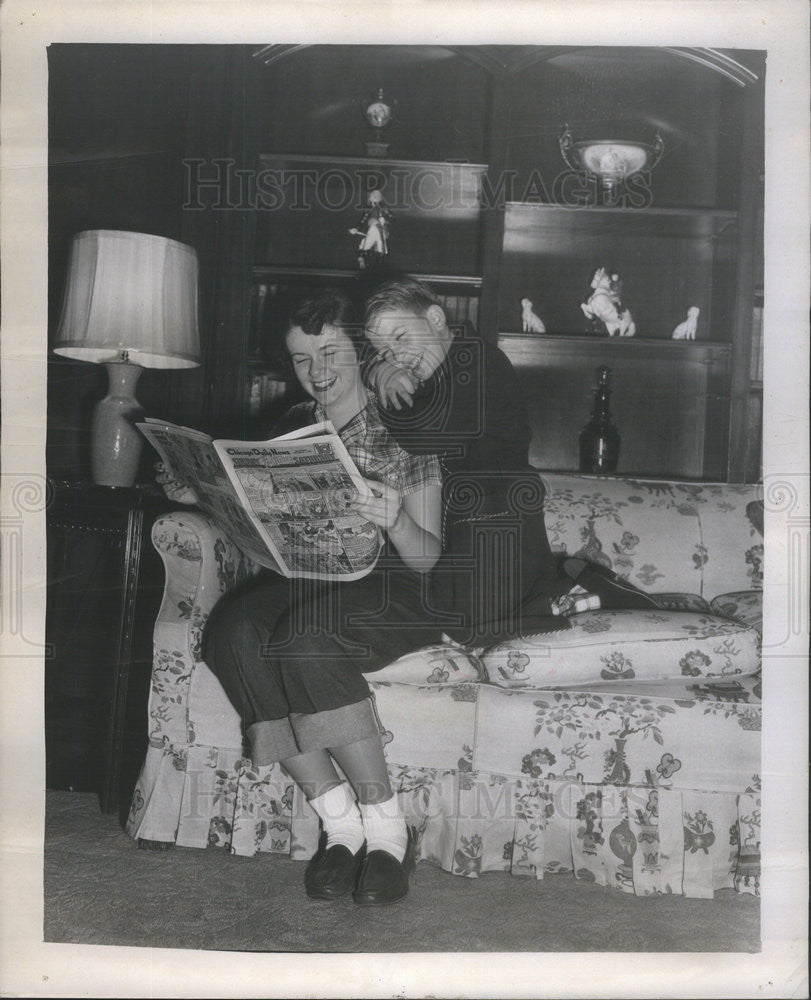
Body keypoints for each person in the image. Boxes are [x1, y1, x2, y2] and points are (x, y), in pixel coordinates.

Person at [158, 289, 444, 905]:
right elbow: (265, 529)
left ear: (360, 351)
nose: (318, 372)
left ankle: (389, 833)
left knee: (304, 641)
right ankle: (339, 823)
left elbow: (428, 555)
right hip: (305, 577)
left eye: (331, 351)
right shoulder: (292, 425)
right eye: (300, 358)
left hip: (395, 588)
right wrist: (201, 495)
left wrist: (394, 519)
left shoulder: (410, 421)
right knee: (233, 636)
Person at [362, 277, 658, 646]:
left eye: (401, 338)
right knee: (465, 624)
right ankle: (565, 589)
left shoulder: (475, 361)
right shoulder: (444, 369)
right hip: (475, 516)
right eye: (385, 352)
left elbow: (424, 437)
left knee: (483, 629)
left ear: (436, 319)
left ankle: (586, 588)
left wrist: (384, 384)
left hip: (501, 517)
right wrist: (375, 368)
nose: (397, 357)